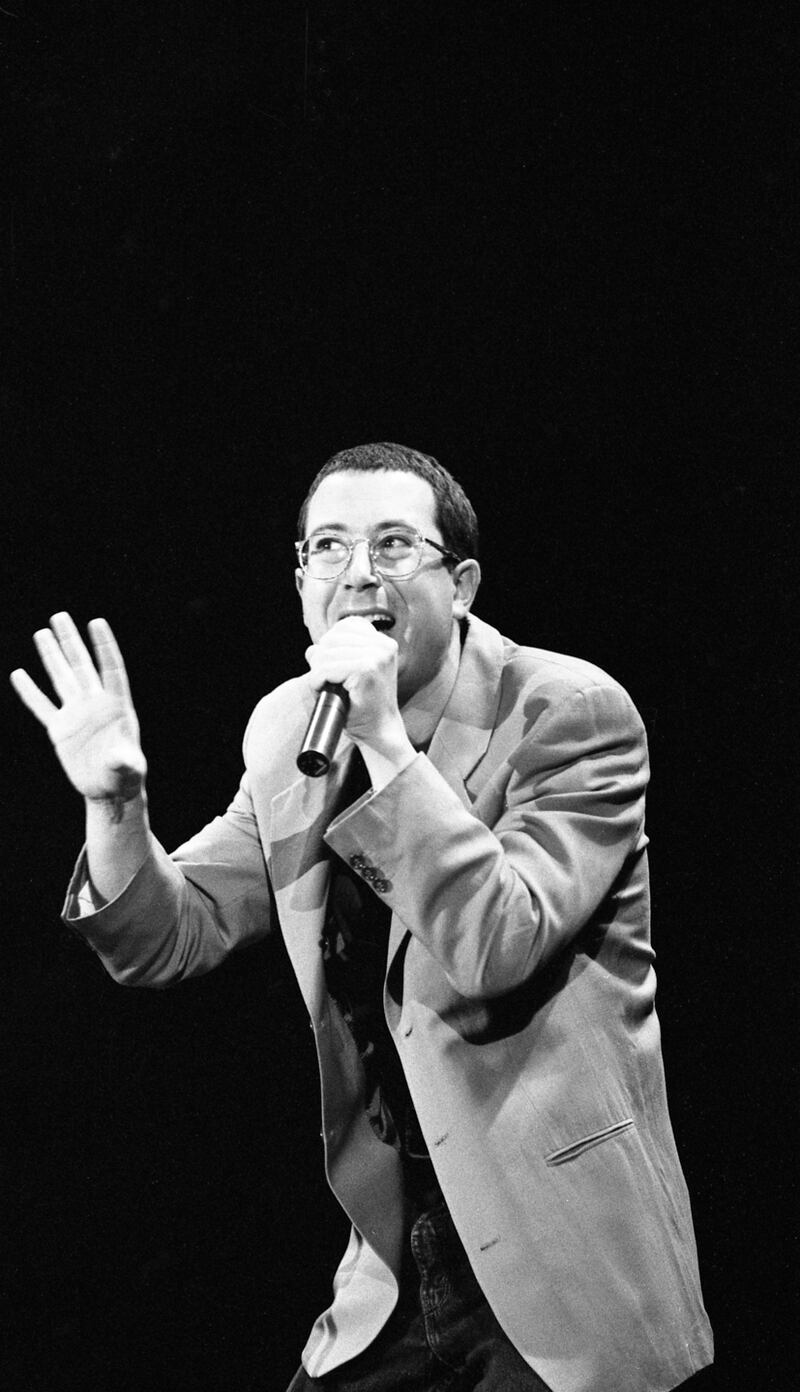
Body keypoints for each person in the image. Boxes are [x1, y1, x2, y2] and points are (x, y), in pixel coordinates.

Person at [10, 442, 713, 1392]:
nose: (356, 576)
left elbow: (498, 942)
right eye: (328, 549)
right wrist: (115, 805)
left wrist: (385, 741)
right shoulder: (287, 730)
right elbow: (170, 937)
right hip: (394, 1261)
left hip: (563, 1253)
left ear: (459, 583)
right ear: (300, 579)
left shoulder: (567, 713)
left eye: (392, 546)